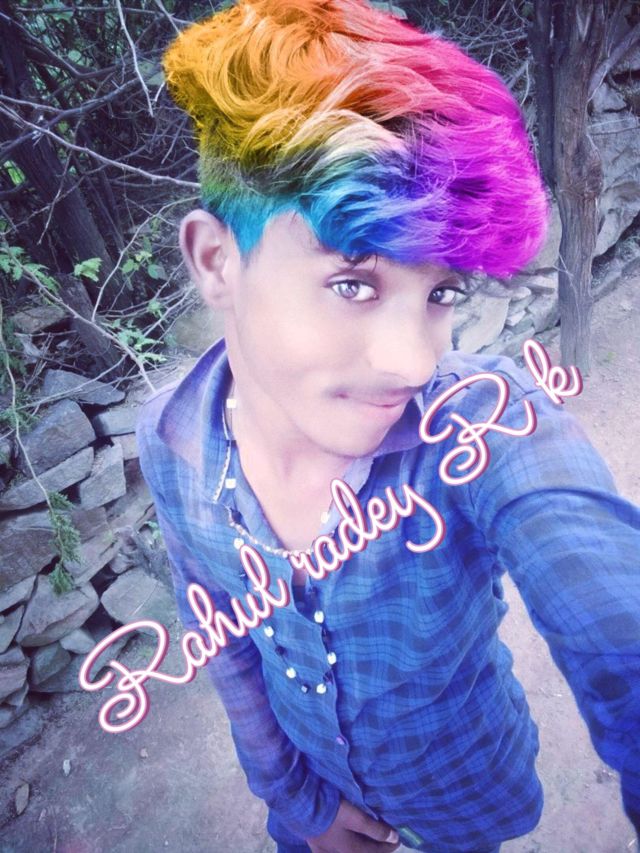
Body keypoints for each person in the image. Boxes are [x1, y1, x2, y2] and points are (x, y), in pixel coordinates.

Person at [136, 1, 640, 850]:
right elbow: (222, 636)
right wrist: (298, 803)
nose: (412, 363)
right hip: (314, 800)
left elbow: (603, 593)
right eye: (353, 283)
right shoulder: (171, 440)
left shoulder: (479, 425)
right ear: (218, 261)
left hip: (464, 794)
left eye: (442, 292)